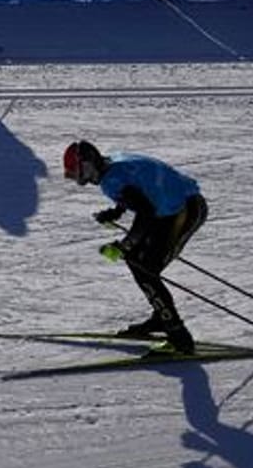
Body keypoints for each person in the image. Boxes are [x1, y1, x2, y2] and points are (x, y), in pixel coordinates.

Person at [63, 140, 208, 354]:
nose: (78, 179)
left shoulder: (110, 181)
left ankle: (179, 338)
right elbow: (138, 186)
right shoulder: (112, 164)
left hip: (183, 211)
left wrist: (124, 245)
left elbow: (145, 212)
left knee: (145, 268)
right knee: (140, 263)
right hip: (172, 209)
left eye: (76, 172)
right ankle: (162, 318)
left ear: (87, 165)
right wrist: (117, 212)